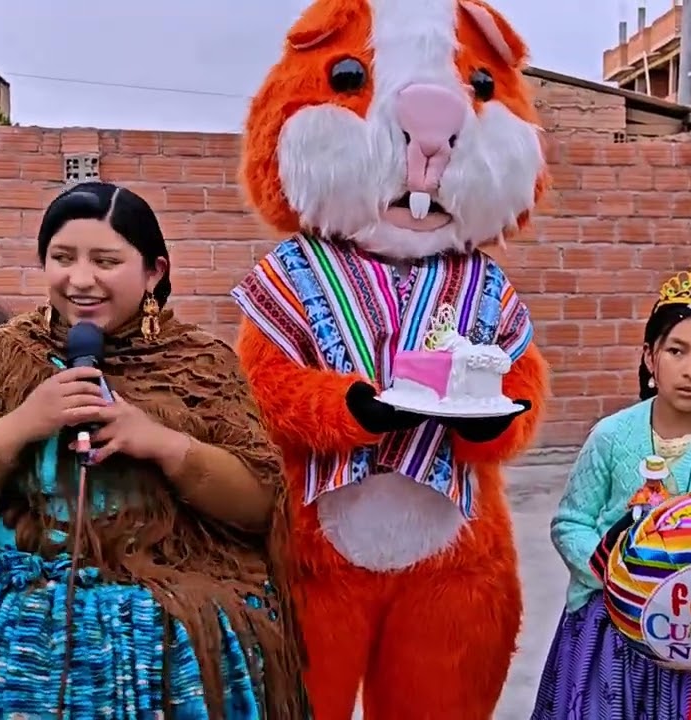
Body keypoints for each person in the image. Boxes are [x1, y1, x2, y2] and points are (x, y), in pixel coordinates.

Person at [0, 183, 308, 719]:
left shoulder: (204, 365)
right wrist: (19, 426)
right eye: (62, 258)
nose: (80, 280)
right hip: (0, 630)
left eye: (106, 261)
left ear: (154, 272)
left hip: (162, 624)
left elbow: (258, 504)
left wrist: (163, 443)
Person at [229, 1, 550, 717]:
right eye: (348, 78)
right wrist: (344, 408)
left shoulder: (483, 284)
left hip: (455, 548)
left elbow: (520, 386)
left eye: (481, 88)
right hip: (316, 549)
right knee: (301, 696)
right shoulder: (293, 274)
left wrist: (490, 423)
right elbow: (263, 387)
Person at [532, 262, 691, 720]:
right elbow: (572, 522)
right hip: (613, 627)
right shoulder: (611, 436)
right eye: (676, 351)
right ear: (649, 357)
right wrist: (618, 578)